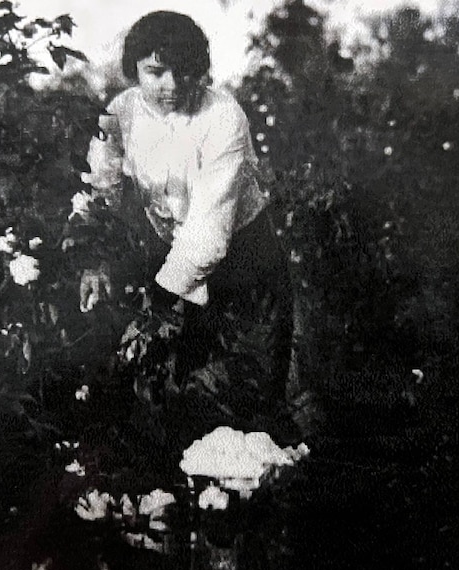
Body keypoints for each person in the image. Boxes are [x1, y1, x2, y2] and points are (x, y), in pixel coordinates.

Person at [79, 11, 299, 439]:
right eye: (155, 72)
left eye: (184, 72)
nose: (171, 85)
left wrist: (159, 301)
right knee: (177, 395)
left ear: (200, 70)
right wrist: (94, 258)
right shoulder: (122, 112)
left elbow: (209, 232)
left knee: (251, 401)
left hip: (245, 260)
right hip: (177, 256)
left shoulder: (222, 117)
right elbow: (100, 188)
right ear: (135, 69)